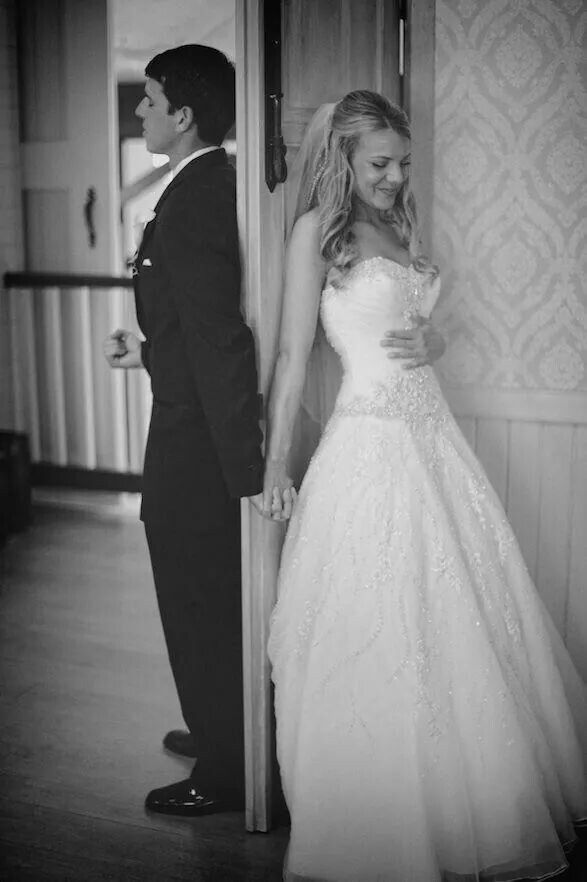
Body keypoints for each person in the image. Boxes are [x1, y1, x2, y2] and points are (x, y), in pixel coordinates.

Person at [264, 90, 587, 881]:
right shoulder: (316, 235)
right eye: (379, 163)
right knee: (377, 624)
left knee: (462, 622)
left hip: (435, 440)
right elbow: (288, 356)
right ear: (340, 159)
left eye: (402, 162)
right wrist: (272, 464)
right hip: (368, 448)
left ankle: (466, 812)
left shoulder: (404, 227)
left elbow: (413, 322)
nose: (395, 176)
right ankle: (380, 824)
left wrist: (434, 337)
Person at [103, 44, 265, 815]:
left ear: (185, 114)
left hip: (197, 445)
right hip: (188, 426)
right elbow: (190, 327)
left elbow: (221, 336)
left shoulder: (200, 193)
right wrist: (145, 350)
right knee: (197, 596)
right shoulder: (197, 183)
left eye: (149, 99)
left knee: (197, 600)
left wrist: (246, 470)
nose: (140, 111)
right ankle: (214, 731)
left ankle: (226, 774)